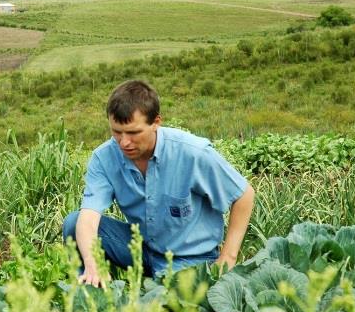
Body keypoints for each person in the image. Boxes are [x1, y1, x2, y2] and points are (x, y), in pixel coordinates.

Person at [63, 80, 254, 288]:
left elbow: (244, 195)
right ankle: (90, 293)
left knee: (164, 309)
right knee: (74, 224)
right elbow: (88, 219)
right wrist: (93, 263)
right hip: (142, 247)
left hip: (189, 258)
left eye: (133, 133)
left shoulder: (193, 153)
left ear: (156, 122)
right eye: (117, 132)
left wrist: (228, 258)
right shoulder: (104, 157)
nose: (124, 142)